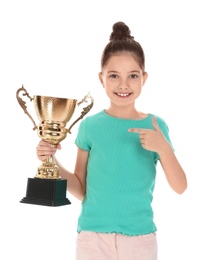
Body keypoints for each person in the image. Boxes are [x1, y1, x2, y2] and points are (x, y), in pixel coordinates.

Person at [36, 21, 187, 260]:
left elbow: (180, 187)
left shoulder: (156, 126)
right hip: (92, 240)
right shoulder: (90, 127)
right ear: (101, 78)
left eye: (133, 76)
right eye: (114, 75)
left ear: (144, 78)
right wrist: (51, 160)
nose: (123, 84)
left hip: (140, 241)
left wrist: (163, 149)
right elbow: (81, 188)